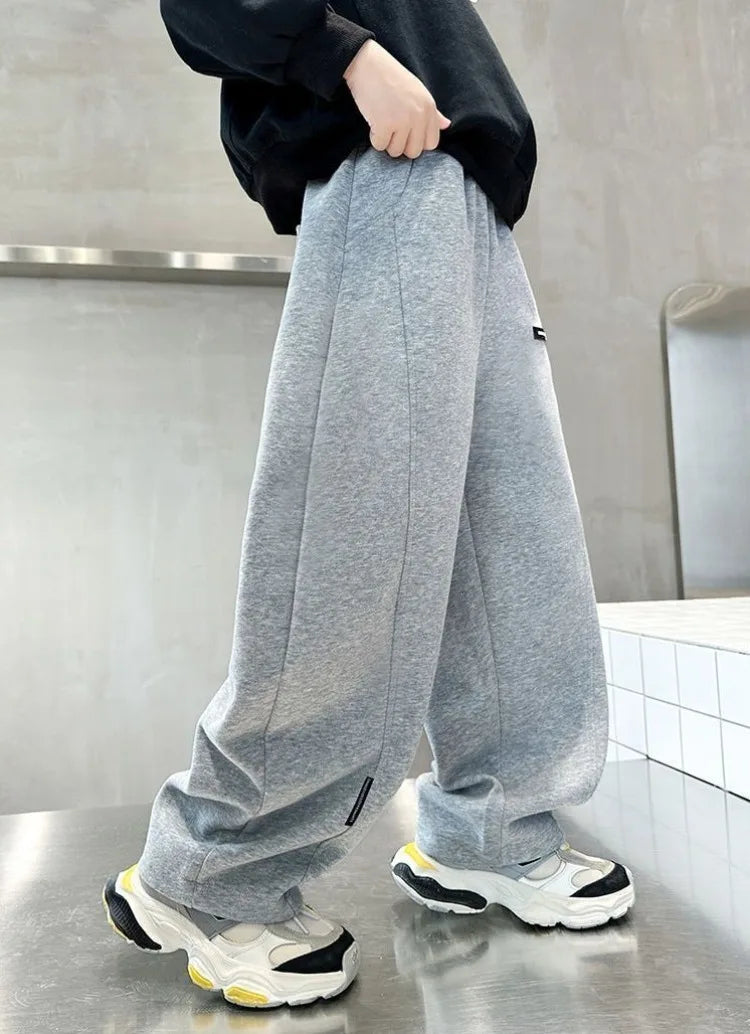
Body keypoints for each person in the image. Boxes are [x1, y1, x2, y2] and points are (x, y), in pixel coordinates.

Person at [102, 0, 635, 1010]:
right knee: (359, 540)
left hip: (470, 193)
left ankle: (491, 831)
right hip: (387, 169)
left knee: (517, 547)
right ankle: (215, 871)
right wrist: (344, 56)